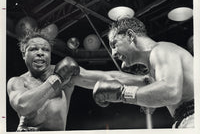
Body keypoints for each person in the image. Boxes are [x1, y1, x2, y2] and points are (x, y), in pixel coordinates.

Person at [7, 30, 152, 131]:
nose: (40, 53)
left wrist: (142, 80)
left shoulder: (67, 74)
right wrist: (56, 79)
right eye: (33, 49)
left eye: (45, 50)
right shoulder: (17, 82)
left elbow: (106, 77)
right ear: (23, 54)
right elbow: (23, 105)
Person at [93, 17, 194, 128]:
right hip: (184, 119)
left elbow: (171, 91)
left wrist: (123, 94)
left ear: (130, 36)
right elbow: (115, 78)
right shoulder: (154, 68)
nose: (113, 54)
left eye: (114, 44)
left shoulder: (161, 50)